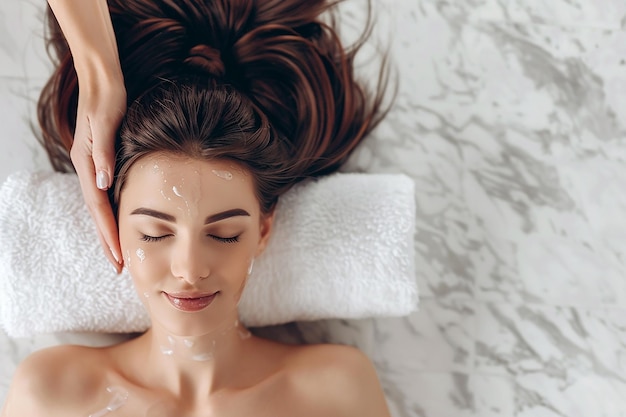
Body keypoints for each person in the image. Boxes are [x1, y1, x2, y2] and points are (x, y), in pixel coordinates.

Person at [1, 0, 392, 415]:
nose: (190, 269)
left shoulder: (334, 389)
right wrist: (99, 80)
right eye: (155, 233)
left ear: (263, 230)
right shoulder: (52, 392)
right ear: (112, 222)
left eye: (224, 234)